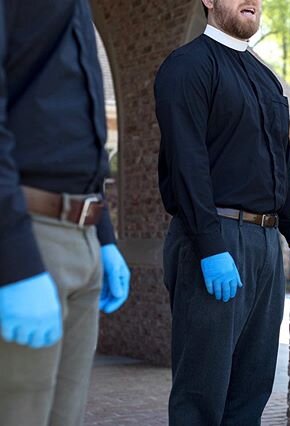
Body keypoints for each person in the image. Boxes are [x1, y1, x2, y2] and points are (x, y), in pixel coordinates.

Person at [154, 0, 290, 424]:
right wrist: (210, 246)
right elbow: (186, 162)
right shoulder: (188, 66)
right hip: (214, 241)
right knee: (201, 392)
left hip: (265, 246)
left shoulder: (266, 79)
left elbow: (283, 165)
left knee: (252, 388)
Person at [0, 1, 131, 425]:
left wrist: (104, 237)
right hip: (27, 235)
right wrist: (14, 260)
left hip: (83, 240)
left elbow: (77, 137)